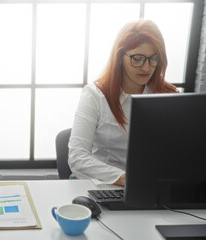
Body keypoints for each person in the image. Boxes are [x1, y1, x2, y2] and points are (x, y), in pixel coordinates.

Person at [68, 20, 178, 186]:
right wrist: (126, 179)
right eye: (137, 58)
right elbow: (77, 157)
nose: (146, 68)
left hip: (151, 186)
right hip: (104, 183)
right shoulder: (95, 95)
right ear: (120, 57)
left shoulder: (168, 95)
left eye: (153, 59)